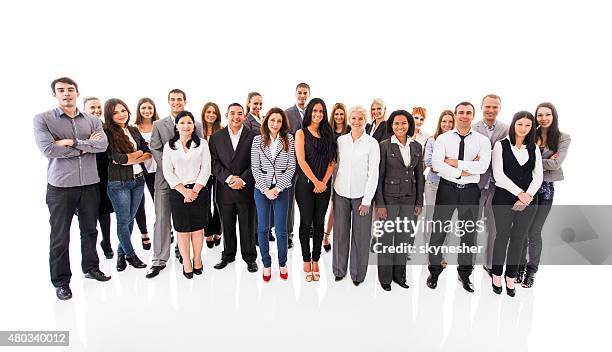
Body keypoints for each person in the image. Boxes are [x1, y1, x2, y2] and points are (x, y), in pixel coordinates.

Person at [34, 77, 110, 300]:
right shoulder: (43, 119)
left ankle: (91, 268)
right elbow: (48, 150)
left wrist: (69, 142)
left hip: (89, 183)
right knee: (60, 236)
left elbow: (102, 145)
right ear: (54, 94)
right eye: (61, 90)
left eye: (70, 90)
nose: (66, 93)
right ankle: (61, 281)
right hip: (61, 186)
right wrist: (86, 145)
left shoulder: (92, 120)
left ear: (77, 92)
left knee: (90, 230)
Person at [426, 101, 491, 293]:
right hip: (447, 190)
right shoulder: (443, 139)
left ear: (473, 115)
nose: (464, 116)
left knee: (469, 235)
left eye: (468, 113)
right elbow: (437, 165)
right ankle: (435, 270)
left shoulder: (482, 141)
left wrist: (454, 163)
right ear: (455, 115)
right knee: (438, 232)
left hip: (471, 191)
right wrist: (465, 170)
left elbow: (482, 168)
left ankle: (465, 274)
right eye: (460, 112)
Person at [146, 89, 203, 279]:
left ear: (185, 101)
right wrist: (170, 165)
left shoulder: (196, 124)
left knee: (186, 219)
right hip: (165, 179)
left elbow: (200, 148)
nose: (176, 102)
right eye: (173, 100)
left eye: (179, 99)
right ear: (168, 102)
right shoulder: (158, 124)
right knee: (162, 217)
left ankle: (183, 253)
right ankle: (159, 259)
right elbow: (154, 147)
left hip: (191, 181)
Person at [517, 102, 571, 288]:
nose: (543, 118)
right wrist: (545, 159)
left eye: (547, 114)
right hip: (527, 187)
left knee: (534, 232)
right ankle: (520, 268)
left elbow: (556, 165)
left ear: (553, 116)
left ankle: (531, 272)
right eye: (540, 115)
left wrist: (533, 159)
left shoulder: (563, 138)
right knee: (522, 230)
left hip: (545, 188)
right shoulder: (530, 133)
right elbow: (519, 158)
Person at [490, 111, 543, 297]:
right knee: (502, 237)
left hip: (529, 200)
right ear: (513, 125)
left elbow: (538, 176)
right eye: (520, 124)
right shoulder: (500, 145)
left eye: (527, 125)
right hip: (504, 199)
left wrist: (527, 195)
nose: (523, 128)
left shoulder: (533, 148)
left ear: (531, 128)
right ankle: (496, 274)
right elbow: (499, 175)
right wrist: (519, 193)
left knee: (519, 239)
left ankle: (510, 277)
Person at [375, 110, 424, 291]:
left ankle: (400, 276)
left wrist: (419, 202)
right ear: (391, 125)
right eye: (396, 123)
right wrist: (379, 203)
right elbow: (378, 177)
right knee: (387, 239)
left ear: (409, 125)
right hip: (389, 199)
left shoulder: (417, 146)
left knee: (404, 239)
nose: (400, 127)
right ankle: (385, 279)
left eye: (403, 123)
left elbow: (420, 176)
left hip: (409, 199)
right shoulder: (384, 146)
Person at [333, 105, 380, 286]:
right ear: (349, 120)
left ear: (365, 120)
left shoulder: (372, 143)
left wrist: (367, 200)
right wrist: (332, 193)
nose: (356, 122)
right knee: (340, 234)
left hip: (362, 196)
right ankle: (339, 269)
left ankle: (358, 275)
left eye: (360, 118)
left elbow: (373, 172)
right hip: (341, 192)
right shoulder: (341, 141)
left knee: (360, 236)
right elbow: (335, 167)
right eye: (353, 118)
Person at [209, 103, 258, 273]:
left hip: (246, 189)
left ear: (244, 116)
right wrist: (229, 178)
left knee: (248, 226)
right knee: (227, 225)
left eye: (240, 114)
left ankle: (250, 257)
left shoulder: (254, 136)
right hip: (225, 190)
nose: (236, 117)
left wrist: (243, 180)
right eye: (232, 113)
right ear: (226, 115)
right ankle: (228, 255)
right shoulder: (216, 137)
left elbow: (257, 163)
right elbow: (214, 163)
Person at [163, 111, 211, 279]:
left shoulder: (202, 144)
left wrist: (194, 191)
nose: (185, 126)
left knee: (198, 229)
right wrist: (185, 191)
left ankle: (197, 259)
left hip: (199, 191)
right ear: (176, 126)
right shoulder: (169, 146)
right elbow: (168, 172)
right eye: (182, 122)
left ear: (193, 125)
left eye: (189, 122)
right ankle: (187, 262)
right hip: (178, 192)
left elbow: (206, 169)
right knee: (182, 230)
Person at [103, 98, 150, 272]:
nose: (121, 115)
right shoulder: (107, 132)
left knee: (130, 220)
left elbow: (148, 152)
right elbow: (118, 159)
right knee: (123, 222)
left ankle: (121, 254)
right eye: (115, 112)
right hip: (119, 183)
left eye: (123, 110)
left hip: (138, 181)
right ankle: (131, 255)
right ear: (109, 115)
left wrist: (134, 156)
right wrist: (135, 156)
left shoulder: (133, 130)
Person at [251, 108, 296, 281]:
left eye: (278, 121)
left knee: (281, 229)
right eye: (272, 120)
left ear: (283, 123)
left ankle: (283, 262)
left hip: (282, 190)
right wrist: (265, 190)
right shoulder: (257, 140)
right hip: (262, 190)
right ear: (266, 121)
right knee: (262, 228)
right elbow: (255, 168)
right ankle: (267, 263)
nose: (275, 124)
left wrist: (277, 189)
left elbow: (291, 167)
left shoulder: (289, 140)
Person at [295, 98, 337, 281]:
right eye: (315, 111)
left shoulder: (329, 135)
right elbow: (301, 161)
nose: (318, 114)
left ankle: (316, 258)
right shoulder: (301, 133)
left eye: (321, 111)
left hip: (324, 187)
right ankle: (306, 260)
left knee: (319, 223)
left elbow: (332, 161)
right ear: (309, 112)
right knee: (306, 223)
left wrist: (323, 183)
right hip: (304, 186)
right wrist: (315, 182)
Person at [472, 94, 509, 276]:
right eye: (488, 106)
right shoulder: (472, 128)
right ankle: (468, 264)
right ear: (481, 107)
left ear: (499, 109)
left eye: (495, 107)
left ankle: (489, 264)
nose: (491, 110)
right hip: (476, 185)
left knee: (493, 229)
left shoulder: (507, 129)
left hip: (497, 187)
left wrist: (487, 153)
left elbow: (509, 156)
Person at [84, 96, 114, 259]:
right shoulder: (81, 128)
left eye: (98, 107)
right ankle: (92, 249)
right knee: (90, 213)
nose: (96, 111)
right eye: (92, 108)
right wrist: (89, 142)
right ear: (84, 110)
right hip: (86, 175)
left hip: (104, 174)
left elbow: (106, 148)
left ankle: (107, 242)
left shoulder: (104, 128)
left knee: (104, 210)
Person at [285, 82, 311, 248]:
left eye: (305, 93)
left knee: (308, 199)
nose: (302, 96)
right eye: (300, 93)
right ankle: (288, 233)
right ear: (295, 94)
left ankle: (309, 228)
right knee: (289, 200)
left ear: (309, 94)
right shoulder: (287, 113)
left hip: (310, 164)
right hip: (293, 163)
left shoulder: (314, 112)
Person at [134, 97, 160, 251]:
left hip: (156, 170)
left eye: (150, 108)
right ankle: (144, 234)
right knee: (139, 204)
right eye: (143, 108)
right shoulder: (133, 128)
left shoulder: (159, 125)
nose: (147, 111)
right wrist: (142, 155)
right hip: (138, 170)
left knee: (159, 201)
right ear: (139, 110)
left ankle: (166, 228)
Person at [324, 102, 350, 252]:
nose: (339, 117)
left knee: (336, 206)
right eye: (336, 114)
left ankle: (328, 236)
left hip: (345, 172)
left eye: (341, 114)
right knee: (328, 205)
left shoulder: (349, 130)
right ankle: (326, 234)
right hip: (329, 171)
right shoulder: (328, 131)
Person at [201, 102, 223, 248]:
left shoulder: (221, 130)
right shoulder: (197, 130)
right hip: (202, 173)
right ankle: (208, 232)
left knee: (219, 202)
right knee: (205, 204)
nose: (211, 115)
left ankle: (218, 230)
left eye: (214, 112)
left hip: (218, 171)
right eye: (208, 112)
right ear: (204, 113)